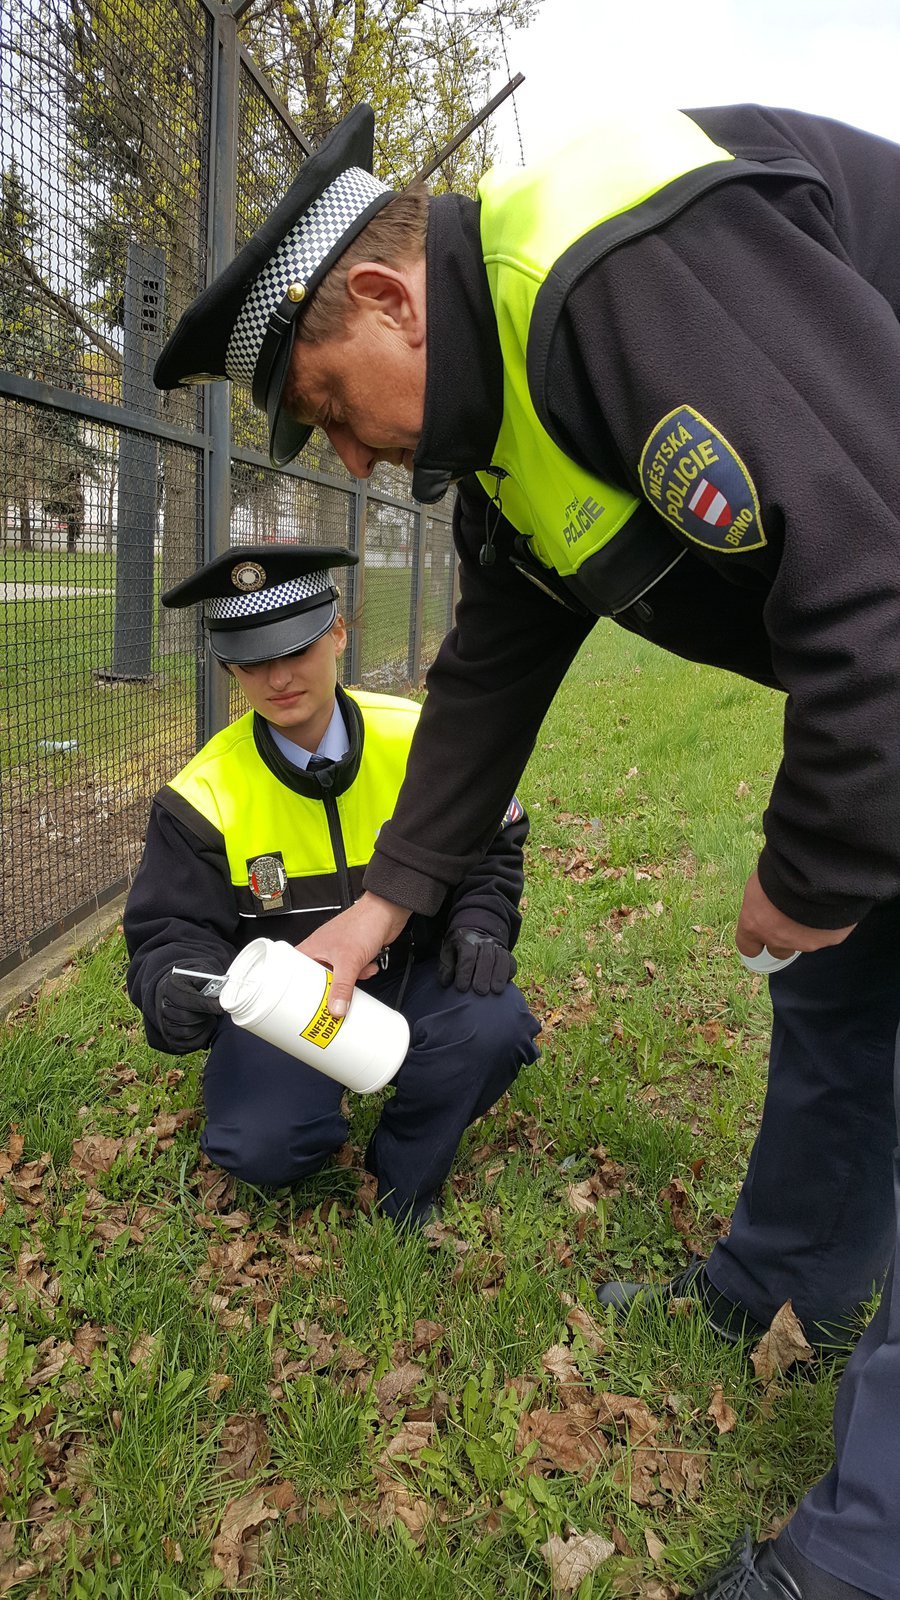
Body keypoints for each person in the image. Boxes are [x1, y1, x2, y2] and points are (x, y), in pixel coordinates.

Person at [152, 102, 900, 1600]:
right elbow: (490, 680)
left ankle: (862, 1560)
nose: (354, 462)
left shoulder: (613, 262)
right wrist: (374, 919)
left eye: (333, 404)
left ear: (385, 300)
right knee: (843, 986)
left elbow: (874, 584)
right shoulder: (504, 431)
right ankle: (778, 1291)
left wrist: (810, 864)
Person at [123, 543, 539, 1226]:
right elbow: (168, 932)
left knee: (493, 1025)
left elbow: (493, 846)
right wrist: (174, 984)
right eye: (253, 660)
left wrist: (480, 923)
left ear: (338, 633)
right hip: (289, 1011)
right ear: (228, 664)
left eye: (298, 650)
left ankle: (405, 1172)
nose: (279, 677)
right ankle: (306, 1114)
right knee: (259, 1145)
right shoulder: (200, 795)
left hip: (413, 972)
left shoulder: (421, 741)